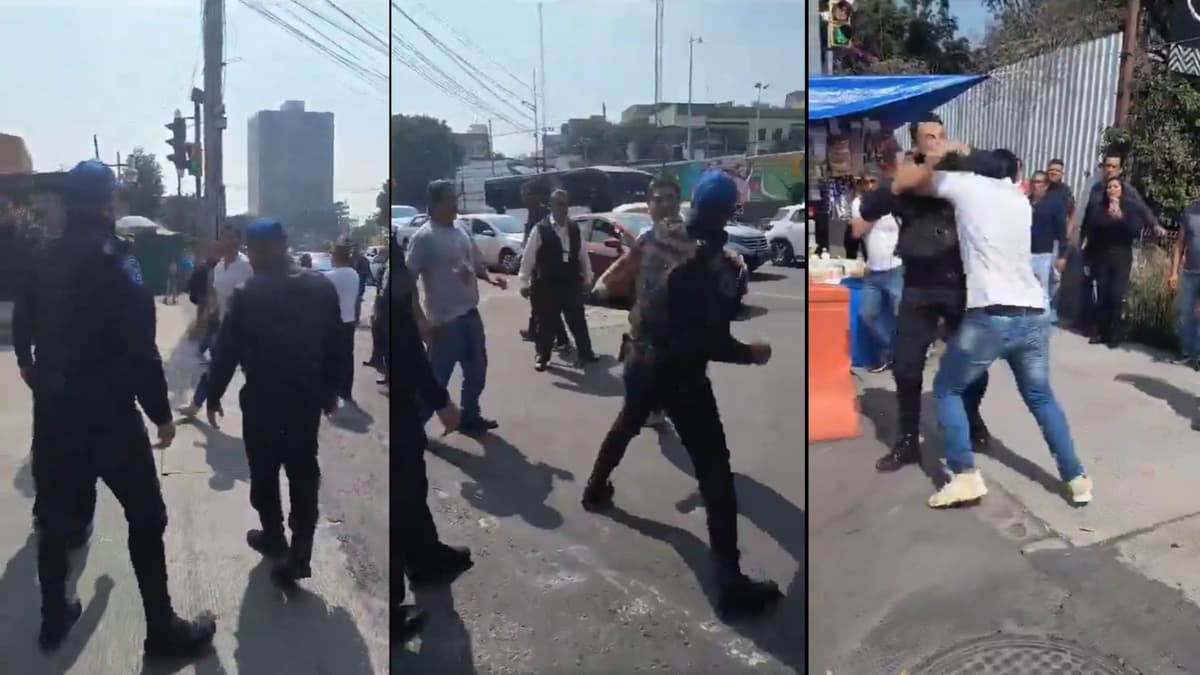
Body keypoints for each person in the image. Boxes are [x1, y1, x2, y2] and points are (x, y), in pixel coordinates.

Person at [16, 160, 216, 655]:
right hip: (108, 416)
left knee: (54, 518)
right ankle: (162, 630)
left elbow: (23, 319)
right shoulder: (116, 260)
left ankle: (53, 618)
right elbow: (139, 349)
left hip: (55, 413)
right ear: (108, 204)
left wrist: (27, 363)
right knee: (146, 516)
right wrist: (161, 414)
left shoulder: (44, 255)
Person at [581, 171, 782, 620]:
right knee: (715, 470)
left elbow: (616, 285)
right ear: (728, 212)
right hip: (681, 375)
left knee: (627, 422)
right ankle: (730, 583)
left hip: (639, 357)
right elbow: (712, 341)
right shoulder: (719, 265)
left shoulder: (658, 236)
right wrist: (751, 354)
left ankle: (594, 489)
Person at [891, 147, 1093, 508]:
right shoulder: (1019, 199)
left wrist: (939, 153)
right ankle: (1076, 478)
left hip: (991, 315)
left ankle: (964, 475)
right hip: (1034, 313)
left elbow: (906, 181)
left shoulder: (968, 186)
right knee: (1041, 397)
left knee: (946, 388)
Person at [204, 218, 342, 588]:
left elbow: (226, 352)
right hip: (304, 400)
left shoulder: (247, 293)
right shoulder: (320, 287)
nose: (253, 256)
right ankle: (299, 550)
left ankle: (275, 537)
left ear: (260, 249)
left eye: (253, 249)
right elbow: (337, 345)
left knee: (265, 472)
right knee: (302, 472)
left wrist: (213, 395)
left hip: (264, 399)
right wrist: (331, 392)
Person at [857, 113, 991, 471]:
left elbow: (1002, 167)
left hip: (958, 281)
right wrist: (897, 183)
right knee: (906, 365)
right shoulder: (907, 176)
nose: (935, 141)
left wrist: (966, 151)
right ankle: (907, 441)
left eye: (940, 135)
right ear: (916, 142)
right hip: (917, 284)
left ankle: (973, 419)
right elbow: (869, 208)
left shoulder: (960, 171)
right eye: (928, 137)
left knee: (974, 362)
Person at [394, 247, 472, 644]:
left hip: (402, 397)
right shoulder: (400, 261)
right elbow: (405, 345)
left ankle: (425, 557)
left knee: (409, 487)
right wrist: (440, 401)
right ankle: (393, 610)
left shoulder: (395, 261)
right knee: (402, 488)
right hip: (400, 400)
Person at [406, 180, 507, 433]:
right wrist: (420, 320)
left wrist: (489, 278)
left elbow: (475, 261)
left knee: (477, 372)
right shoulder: (424, 238)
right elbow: (407, 283)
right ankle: (413, 430)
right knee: (436, 380)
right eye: (450, 199)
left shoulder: (461, 229)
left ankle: (469, 417)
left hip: (471, 315)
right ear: (435, 204)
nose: (455, 204)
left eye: (455, 199)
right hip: (444, 323)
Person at [178, 225, 254, 418]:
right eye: (226, 237)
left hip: (243, 329)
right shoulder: (219, 266)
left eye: (233, 237)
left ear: (238, 241)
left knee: (253, 373)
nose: (230, 241)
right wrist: (207, 313)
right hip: (221, 326)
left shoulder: (245, 266)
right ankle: (197, 405)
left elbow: (252, 296)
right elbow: (214, 292)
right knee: (213, 368)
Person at [518, 187, 597, 371]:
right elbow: (528, 258)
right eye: (560, 204)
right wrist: (523, 282)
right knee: (546, 324)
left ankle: (586, 352)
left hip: (570, 284)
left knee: (577, 320)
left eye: (566, 204)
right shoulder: (541, 229)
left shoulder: (574, 228)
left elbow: (582, 256)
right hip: (547, 285)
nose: (564, 208)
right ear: (551, 206)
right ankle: (542, 356)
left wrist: (588, 278)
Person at [1081, 177, 1145, 347]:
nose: (1112, 190)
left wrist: (1121, 217)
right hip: (1102, 257)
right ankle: (1102, 332)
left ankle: (1116, 334)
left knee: (1116, 296)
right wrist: (1087, 256)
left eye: (1116, 187)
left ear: (1122, 190)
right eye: (1109, 187)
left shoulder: (1129, 207)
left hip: (1121, 256)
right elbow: (1092, 233)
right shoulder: (1099, 208)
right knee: (1102, 295)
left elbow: (1135, 230)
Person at [850, 171, 903, 373]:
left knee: (902, 315)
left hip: (897, 268)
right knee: (867, 315)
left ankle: (909, 353)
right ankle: (892, 350)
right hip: (873, 271)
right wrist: (876, 208)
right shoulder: (859, 203)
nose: (869, 185)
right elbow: (856, 231)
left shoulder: (896, 203)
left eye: (873, 181)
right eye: (866, 181)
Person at [518, 178, 571, 352]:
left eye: (526, 195)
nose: (523, 199)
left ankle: (561, 339)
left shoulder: (544, 215)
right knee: (539, 306)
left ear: (534, 196)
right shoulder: (532, 213)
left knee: (546, 307)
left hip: (545, 270)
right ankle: (535, 332)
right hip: (537, 269)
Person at [1028, 170, 1070, 322]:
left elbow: (1061, 230)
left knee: (1043, 290)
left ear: (1045, 185)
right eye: (1033, 182)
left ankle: (1045, 320)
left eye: (1039, 182)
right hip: (1026, 251)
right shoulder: (1026, 202)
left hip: (1044, 252)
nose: (1035, 185)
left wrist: (1062, 255)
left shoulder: (1054, 203)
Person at [325, 236, 362, 406]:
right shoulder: (354, 273)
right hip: (349, 321)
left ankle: (331, 392)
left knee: (331, 358)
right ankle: (346, 392)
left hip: (334, 323)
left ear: (337, 256)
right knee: (347, 357)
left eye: (331, 254)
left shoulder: (331, 276)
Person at [1169, 199, 1200, 368]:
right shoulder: (1190, 211)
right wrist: (1174, 272)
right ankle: (1187, 353)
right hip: (1190, 271)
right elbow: (1180, 243)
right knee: (1188, 313)